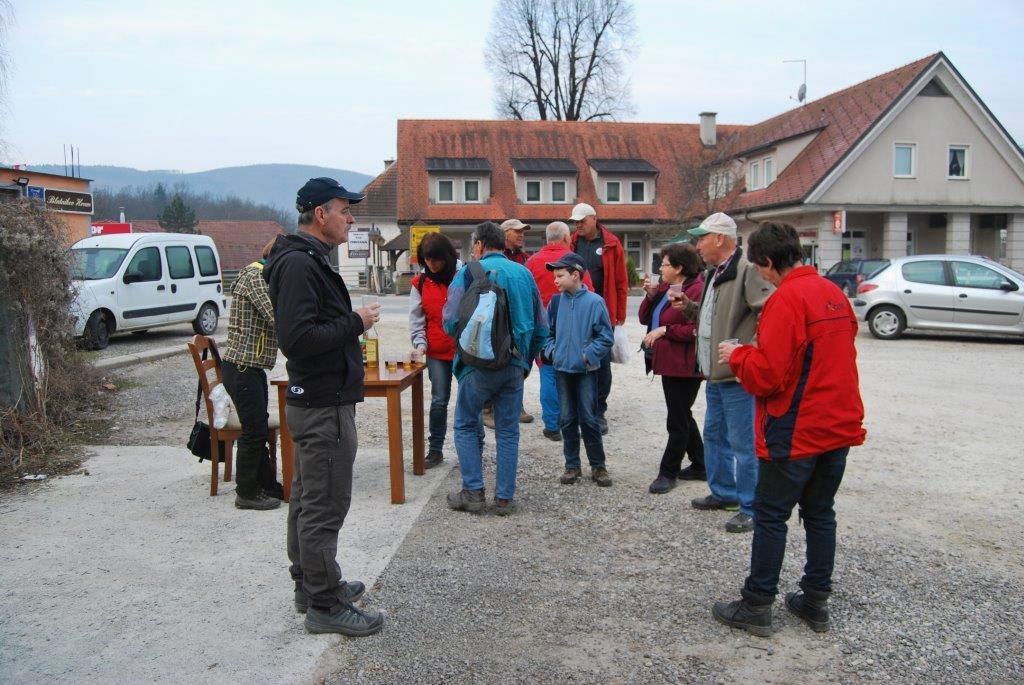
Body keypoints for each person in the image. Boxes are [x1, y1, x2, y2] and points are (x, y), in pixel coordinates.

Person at [711, 222, 866, 637]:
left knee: (770, 516)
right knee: (820, 513)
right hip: (838, 423)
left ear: (766, 261)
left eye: (760, 268)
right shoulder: (833, 292)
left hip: (797, 427)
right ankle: (815, 601)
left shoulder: (787, 299)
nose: (761, 276)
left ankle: (757, 603)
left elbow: (769, 376)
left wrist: (739, 355)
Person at [263, 177, 384, 637]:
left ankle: (310, 584)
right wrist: (355, 322)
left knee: (308, 500)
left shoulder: (306, 258)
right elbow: (297, 340)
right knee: (324, 506)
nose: (350, 219)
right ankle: (325, 604)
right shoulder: (300, 264)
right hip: (322, 404)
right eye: (344, 210)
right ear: (320, 214)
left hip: (318, 400)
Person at [671, 212, 773, 533]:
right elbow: (713, 317)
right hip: (716, 374)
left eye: (702, 238)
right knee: (715, 435)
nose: (698, 245)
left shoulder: (746, 271)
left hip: (737, 375)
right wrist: (689, 307)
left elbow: (769, 314)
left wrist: (748, 353)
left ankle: (751, 507)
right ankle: (725, 493)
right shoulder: (715, 273)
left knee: (744, 444)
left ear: (720, 239)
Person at [442, 221, 548, 516]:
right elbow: (542, 328)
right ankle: (504, 499)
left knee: (466, 424)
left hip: (475, 367)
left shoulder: (467, 273)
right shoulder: (524, 274)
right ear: (502, 244)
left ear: (478, 245)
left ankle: (473, 493)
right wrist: (524, 362)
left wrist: (469, 348)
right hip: (513, 364)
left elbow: (450, 321)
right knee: (508, 430)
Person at [221, 237, 285, 510]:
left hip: (251, 366)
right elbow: (276, 316)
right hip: (242, 366)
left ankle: (266, 484)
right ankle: (246, 492)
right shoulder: (256, 276)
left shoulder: (259, 274)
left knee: (258, 425)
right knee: (254, 431)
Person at [638, 242, 706, 493]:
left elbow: (698, 328)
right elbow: (645, 318)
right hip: (670, 363)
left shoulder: (696, 289)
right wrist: (651, 295)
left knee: (676, 420)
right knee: (682, 414)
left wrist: (666, 330)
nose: (661, 269)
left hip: (685, 365)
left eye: (665, 264)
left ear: (679, 267)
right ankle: (701, 464)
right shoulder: (668, 287)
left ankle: (668, 471)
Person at [541, 253, 614, 487]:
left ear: (575, 275)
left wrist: (587, 355)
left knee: (589, 419)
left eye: (560, 275)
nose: (555, 280)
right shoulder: (555, 303)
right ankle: (572, 465)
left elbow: (606, 337)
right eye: (554, 276)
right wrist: (553, 352)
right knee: (566, 418)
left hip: (586, 372)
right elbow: (547, 334)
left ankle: (598, 466)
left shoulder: (595, 302)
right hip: (562, 370)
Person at [525, 221, 594, 441]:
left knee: (547, 374)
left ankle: (552, 425)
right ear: (566, 238)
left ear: (547, 239)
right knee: (574, 377)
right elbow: (589, 293)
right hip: (575, 329)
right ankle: (573, 422)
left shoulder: (532, 262)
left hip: (543, 329)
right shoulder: (574, 262)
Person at [568, 203, 627, 435]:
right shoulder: (572, 242)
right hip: (578, 311)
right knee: (577, 359)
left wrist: (619, 315)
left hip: (603, 312)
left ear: (594, 219)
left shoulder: (611, 243)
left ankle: (599, 410)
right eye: (575, 222)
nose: (578, 225)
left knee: (602, 363)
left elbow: (621, 282)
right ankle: (580, 407)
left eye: (582, 221)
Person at [408, 232, 459, 468]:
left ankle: (473, 448)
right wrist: (420, 345)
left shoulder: (463, 276)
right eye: (427, 259)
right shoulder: (419, 283)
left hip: (464, 351)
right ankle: (435, 450)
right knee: (439, 401)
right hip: (436, 352)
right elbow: (417, 320)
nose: (432, 264)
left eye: (436, 259)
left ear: (446, 257)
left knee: (471, 401)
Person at [480, 218, 535, 428]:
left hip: (516, 321)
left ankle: (516, 405)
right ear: (503, 235)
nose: (521, 235)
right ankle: (487, 407)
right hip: (493, 322)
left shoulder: (525, 259)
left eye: (523, 232)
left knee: (516, 360)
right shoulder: (488, 260)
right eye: (517, 231)